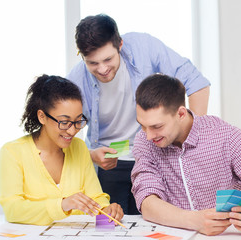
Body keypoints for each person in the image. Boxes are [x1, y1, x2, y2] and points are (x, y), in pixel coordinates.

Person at [66, 14, 211, 215]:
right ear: (81, 56)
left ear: (120, 45)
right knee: (111, 225)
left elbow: (197, 83)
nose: (102, 69)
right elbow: (62, 135)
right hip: (109, 164)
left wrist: (192, 140)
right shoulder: (75, 80)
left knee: (157, 221)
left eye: (108, 59)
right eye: (92, 63)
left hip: (154, 155)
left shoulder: (144, 47)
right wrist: (91, 156)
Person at [131, 73, 241, 236]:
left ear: (181, 114)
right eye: (143, 126)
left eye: (156, 126)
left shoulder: (229, 138)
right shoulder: (144, 142)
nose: (148, 135)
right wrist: (195, 221)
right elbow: (147, 201)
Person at [0, 74, 123, 225]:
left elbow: (95, 196)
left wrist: (106, 209)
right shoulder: (12, 152)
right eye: (64, 122)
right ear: (42, 116)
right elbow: (13, 210)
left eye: (78, 121)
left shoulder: (79, 147)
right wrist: (62, 204)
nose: (72, 131)